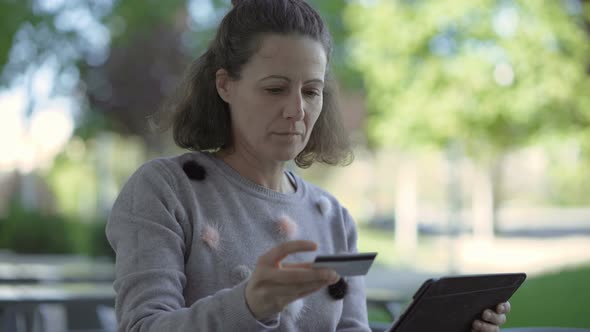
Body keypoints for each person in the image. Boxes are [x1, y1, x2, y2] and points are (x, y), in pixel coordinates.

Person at [106, 0, 511, 331]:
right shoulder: (165, 190)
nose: (297, 110)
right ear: (224, 84)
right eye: (275, 89)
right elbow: (143, 327)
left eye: (312, 91)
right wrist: (249, 305)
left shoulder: (333, 215)